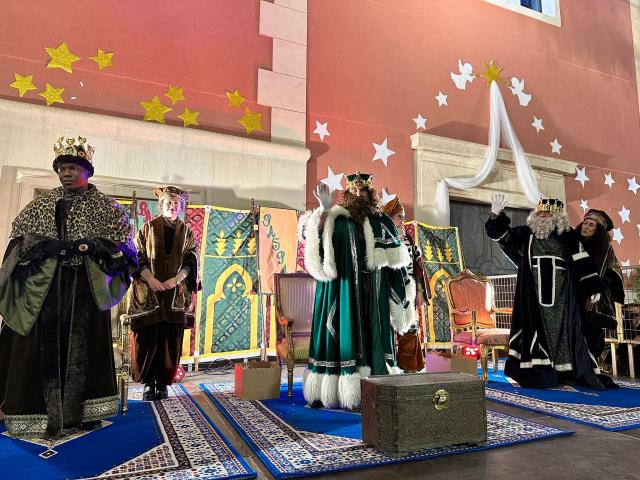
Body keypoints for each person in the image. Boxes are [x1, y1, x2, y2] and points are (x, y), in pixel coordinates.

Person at [0, 136, 137, 438]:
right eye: (62, 168)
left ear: (87, 171)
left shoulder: (108, 208)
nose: (66, 173)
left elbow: (125, 252)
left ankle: (83, 414)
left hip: (86, 291)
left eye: (73, 168)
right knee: (40, 352)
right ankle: (38, 415)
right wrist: (45, 246)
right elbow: (18, 245)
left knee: (84, 353)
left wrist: (95, 245)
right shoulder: (40, 205)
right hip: (45, 291)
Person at [300, 172, 416, 410]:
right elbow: (315, 243)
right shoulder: (336, 218)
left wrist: (401, 297)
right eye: (353, 190)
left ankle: (376, 387)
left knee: (373, 334)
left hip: (374, 291)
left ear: (370, 194)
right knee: (344, 331)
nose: (358, 194)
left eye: (363, 191)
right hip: (343, 290)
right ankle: (337, 391)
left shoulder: (381, 221)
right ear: (347, 193)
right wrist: (323, 210)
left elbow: (398, 266)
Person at [485, 194, 615, 389]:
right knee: (536, 331)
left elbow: (582, 260)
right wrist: (495, 216)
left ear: (558, 216)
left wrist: (592, 287)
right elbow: (503, 237)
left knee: (562, 333)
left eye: (548, 213)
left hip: (562, 296)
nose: (544, 216)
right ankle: (540, 372)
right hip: (533, 295)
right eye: (541, 213)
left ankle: (562, 371)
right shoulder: (525, 234)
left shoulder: (569, 236)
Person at [126, 186, 200, 401]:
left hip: (174, 292)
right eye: (169, 203)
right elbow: (136, 256)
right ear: (160, 205)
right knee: (147, 338)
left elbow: (191, 260)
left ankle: (163, 383)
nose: (173, 206)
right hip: (149, 291)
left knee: (170, 339)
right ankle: (148, 383)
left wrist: (176, 280)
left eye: (177, 204)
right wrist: (150, 279)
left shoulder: (186, 232)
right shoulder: (147, 228)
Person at [382, 197, 431, 372]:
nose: (403, 220)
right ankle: (389, 368)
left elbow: (417, 268)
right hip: (389, 291)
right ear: (389, 219)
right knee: (388, 330)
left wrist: (420, 291)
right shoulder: (383, 239)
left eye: (403, 217)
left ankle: (409, 367)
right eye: (399, 217)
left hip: (409, 290)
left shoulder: (408, 238)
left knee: (410, 329)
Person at [576, 209, 624, 358]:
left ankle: (594, 363)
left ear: (598, 230)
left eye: (591, 225)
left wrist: (597, 290)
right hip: (574, 295)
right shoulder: (574, 244)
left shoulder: (606, 248)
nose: (586, 226)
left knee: (593, 336)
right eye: (585, 223)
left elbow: (613, 273)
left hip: (595, 300)